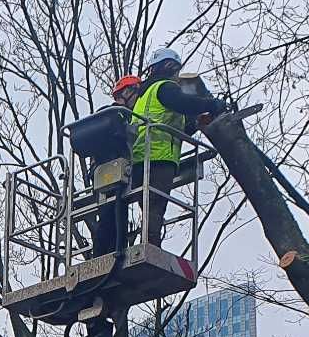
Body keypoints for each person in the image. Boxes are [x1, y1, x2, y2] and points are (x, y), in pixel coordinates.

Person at [129, 48, 229, 244]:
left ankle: (149, 243)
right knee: (156, 205)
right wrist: (211, 104)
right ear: (169, 66)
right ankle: (151, 246)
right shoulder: (164, 87)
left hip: (141, 157)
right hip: (158, 157)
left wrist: (196, 123)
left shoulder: (145, 95)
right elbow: (185, 103)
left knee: (150, 206)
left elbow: (175, 125)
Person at [87, 74, 146, 259]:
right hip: (110, 170)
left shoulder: (108, 115)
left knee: (111, 215)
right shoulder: (117, 115)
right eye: (137, 93)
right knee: (112, 216)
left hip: (106, 171)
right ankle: (107, 255)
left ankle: (107, 254)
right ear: (128, 92)